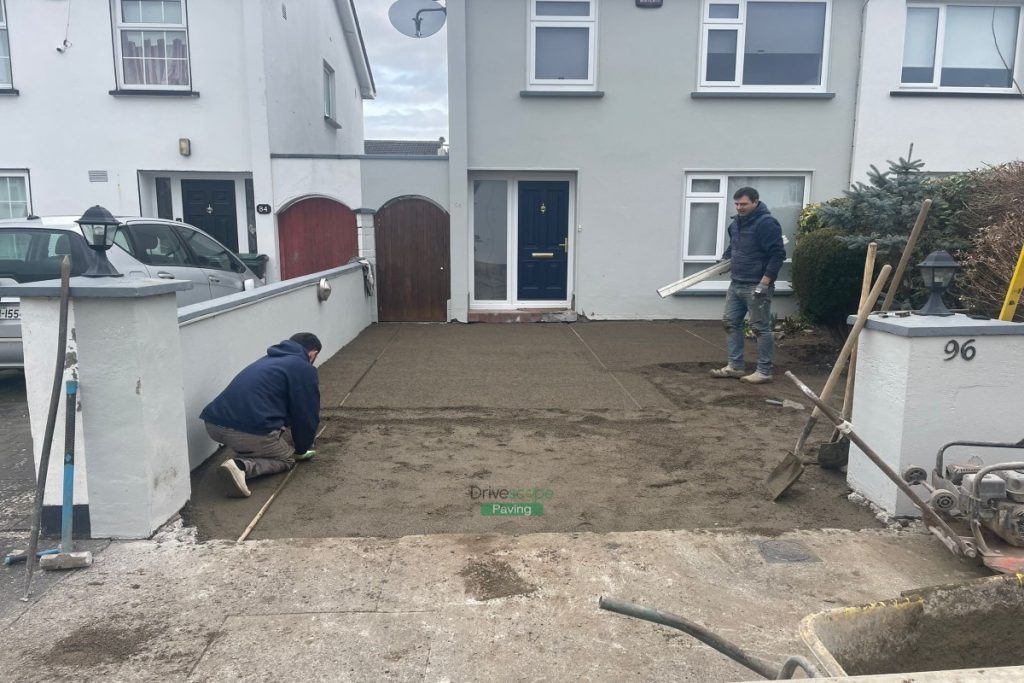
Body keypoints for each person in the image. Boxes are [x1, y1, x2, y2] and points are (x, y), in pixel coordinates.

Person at [201, 332, 322, 497]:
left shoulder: (268, 360)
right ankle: (241, 466)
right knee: (286, 458)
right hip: (245, 432)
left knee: (272, 428)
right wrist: (303, 448)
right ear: (313, 354)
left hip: (213, 424)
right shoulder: (304, 368)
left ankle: (250, 450)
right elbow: (306, 413)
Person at [710, 187, 786, 385]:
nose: (739, 207)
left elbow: (778, 255)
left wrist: (765, 282)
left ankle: (764, 371)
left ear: (755, 202)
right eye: (736, 204)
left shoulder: (767, 224)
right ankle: (735, 366)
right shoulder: (736, 224)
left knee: (760, 328)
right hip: (736, 282)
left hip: (756, 285)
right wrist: (725, 260)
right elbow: (734, 246)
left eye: (743, 204)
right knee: (730, 322)